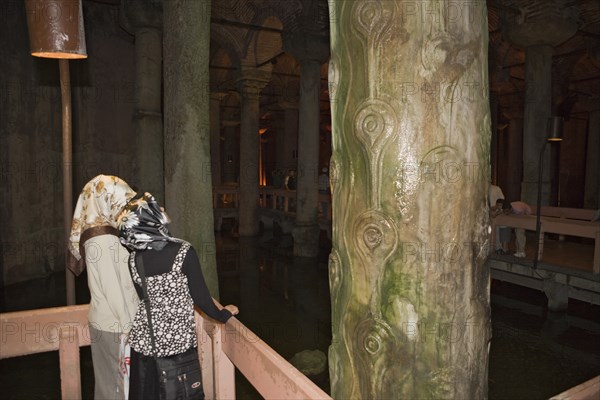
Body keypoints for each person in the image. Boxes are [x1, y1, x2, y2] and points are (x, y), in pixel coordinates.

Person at [116, 192, 239, 400]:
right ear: (149, 221)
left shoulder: (134, 259)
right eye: (157, 209)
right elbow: (201, 299)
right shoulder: (183, 251)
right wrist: (224, 314)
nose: (162, 210)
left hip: (144, 345)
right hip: (176, 345)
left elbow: (144, 298)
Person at [67, 174, 140, 400]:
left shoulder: (105, 233)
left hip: (111, 321)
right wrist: (130, 329)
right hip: (116, 324)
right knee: (117, 389)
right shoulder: (102, 238)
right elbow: (112, 288)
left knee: (112, 385)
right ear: (106, 200)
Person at [489, 183, 510, 254]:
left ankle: (502, 248)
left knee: (500, 229)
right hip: (491, 212)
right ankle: (498, 248)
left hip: (496, 211)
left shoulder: (496, 188)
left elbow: (502, 200)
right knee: (495, 230)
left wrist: (497, 207)